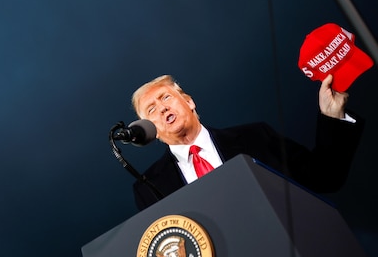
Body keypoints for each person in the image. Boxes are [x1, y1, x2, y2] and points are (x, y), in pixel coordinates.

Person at [131, 74, 364, 210]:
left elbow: (324, 177)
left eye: (166, 97)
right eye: (151, 110)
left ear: (190, 102)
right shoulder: (150, 187)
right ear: (152, 132)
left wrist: (332, 116)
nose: (162, 108)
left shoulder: (255, 137)